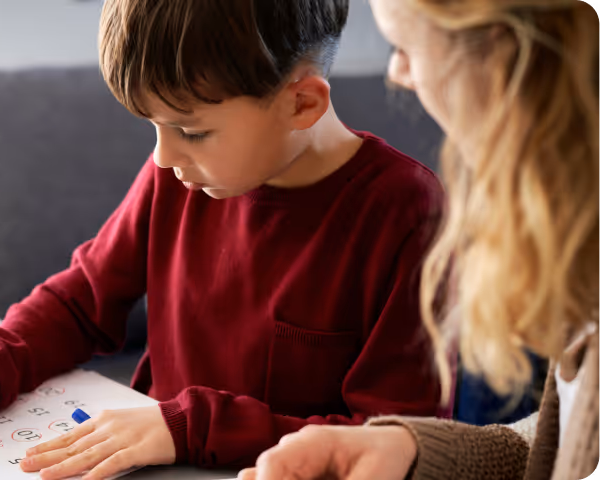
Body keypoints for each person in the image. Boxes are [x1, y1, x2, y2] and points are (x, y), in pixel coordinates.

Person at [0, 0, 448, 478]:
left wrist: (189, 428)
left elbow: (392, 439)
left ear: (302, 103)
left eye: (191, 131)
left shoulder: (406, 213)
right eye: (152, 126)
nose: (164, 157)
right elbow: (79, 302)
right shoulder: (179, 175)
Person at [238, 0, 600, 479]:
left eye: (405, 46)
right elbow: (567, 441)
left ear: (513, 61)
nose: (398, 73)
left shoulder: (404, 203)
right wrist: (408, 450)